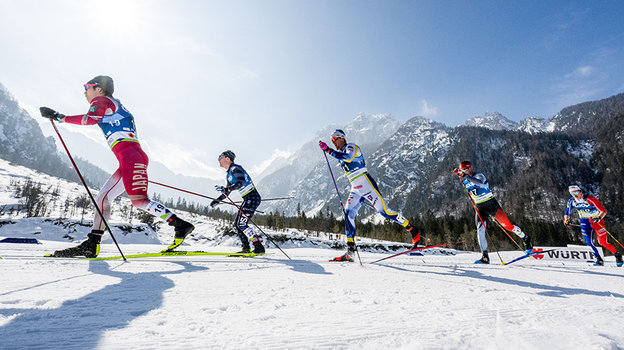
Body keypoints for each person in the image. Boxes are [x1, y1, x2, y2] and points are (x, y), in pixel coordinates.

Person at [39, 75, 194, 257]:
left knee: (139, 201)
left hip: (131, 157)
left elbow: (91, 119)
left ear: (99, 88)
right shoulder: (112, 103)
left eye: (87, 87)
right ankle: (93, 242)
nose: (84, 92)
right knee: (103, 198)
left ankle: (179, 224)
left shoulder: (102, 100)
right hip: (129, 157)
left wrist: (60, 117)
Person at [319, 129, 418, 262]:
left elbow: (348, 158)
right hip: (355, 188)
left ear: (341, 138)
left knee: (385, 213)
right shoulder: (340, 152)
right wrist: (330, 151)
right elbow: (342, 157)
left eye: (334, 140)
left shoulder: (351, 147)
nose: (333, 143)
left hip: (367, 184)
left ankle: (412, 229)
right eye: (331, 141)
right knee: (348, 214)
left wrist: (329, 150)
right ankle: (350, 251)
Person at [454, 161, 532, 264]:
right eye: (462, 170)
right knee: (480, 230)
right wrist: (462, 177)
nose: (464, 172)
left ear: (470, 168)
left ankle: (525, 238)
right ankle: (485, 256)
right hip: (480, 207)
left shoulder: (479, 175)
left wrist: (465, 176)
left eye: (465, 169)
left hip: (491, 205)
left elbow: (480, 184)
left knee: (508, 226)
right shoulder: (465, 180)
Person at [210, 150, 265, 254]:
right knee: (237, 224)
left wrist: (228, 189)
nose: (218, 159)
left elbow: (241, 182)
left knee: (241, 223)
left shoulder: (235, 168)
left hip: (252, 197)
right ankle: (246, 248)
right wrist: (217, 200)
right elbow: (227, 191)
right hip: (248, 198)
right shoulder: (228, 175)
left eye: (220, 156)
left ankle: (258, 247)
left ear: (227, 158)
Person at [564, 184, 623, 267]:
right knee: (589, 242)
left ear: (581, 192)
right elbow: (567, 212)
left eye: (576, 192)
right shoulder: (571, 201)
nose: (574, 195)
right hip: (584, 221)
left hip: (596, 221)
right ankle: (598, 259)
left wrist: (598, 218)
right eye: (572, 194)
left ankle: (617, 255)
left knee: (602, 242)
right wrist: (566, 220)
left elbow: (603, 211)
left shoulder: (590, 199)